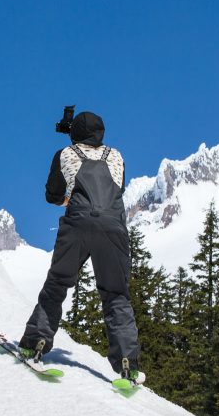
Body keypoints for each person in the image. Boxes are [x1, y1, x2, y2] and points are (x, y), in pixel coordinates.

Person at [18, 110, 143, 383]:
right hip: (113, 228)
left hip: (78, 224)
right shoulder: (116, 155)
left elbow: (52, 195)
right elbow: (117, 190)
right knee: (116, 294)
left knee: (58, 284)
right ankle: (127, 365)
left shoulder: (65, 154)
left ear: (74, 133)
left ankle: (35, 345)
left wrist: (69, 198)